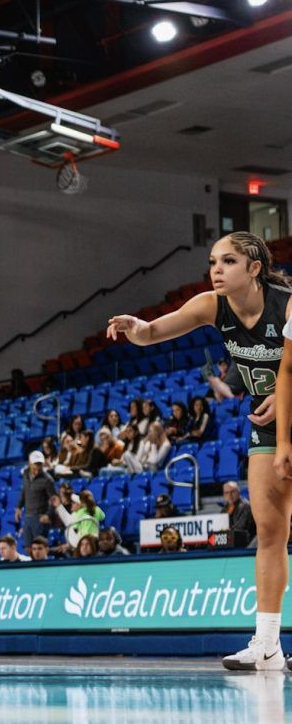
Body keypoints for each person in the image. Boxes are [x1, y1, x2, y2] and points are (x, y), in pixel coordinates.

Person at [111, 232, 292, 671]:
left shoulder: (286, 304)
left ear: (254, 268)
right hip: (265, 417)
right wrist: (137, 329)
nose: (215, 269)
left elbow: (290, 369)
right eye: (212, 261)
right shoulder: (212, 306)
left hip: (287, 406)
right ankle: (267, 644)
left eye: (228, 261)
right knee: (269, 532)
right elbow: (154, 331)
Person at [16, 451, 55, 545]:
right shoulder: (25, 474)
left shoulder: (48, 480)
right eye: (34, 467)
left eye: (39, 467)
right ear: (29, 464)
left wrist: (48, 515)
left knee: (38, 547)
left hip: (40, 517)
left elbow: (54, 499)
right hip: (28, 516)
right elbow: (24, 490)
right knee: (28, 546)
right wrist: (19, 507)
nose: (37, 470)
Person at [223, 482, 257, 547]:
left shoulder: (246, 506)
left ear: (238, 492)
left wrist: (225, 531)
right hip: (231, 542)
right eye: (227, 493)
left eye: (232, 492)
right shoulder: (225, 509)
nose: (230, 495)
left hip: (247, 543)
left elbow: (240, 527)